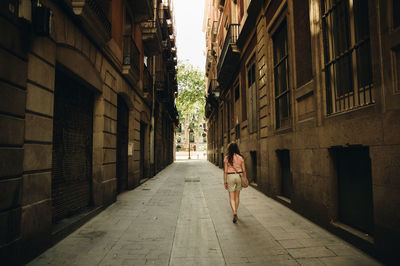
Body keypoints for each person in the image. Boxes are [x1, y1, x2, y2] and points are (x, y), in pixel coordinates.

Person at [224, 142, 247, 223]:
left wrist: (225, 181)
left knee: (231, 197)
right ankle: (236, 211)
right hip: (239, 176)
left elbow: (225, 171)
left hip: (230, 176)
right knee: (237, 196)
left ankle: (234, 212)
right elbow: (244, 170)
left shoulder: (227, 158)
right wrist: (245, 178)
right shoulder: (240, 158)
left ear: (229, 149)